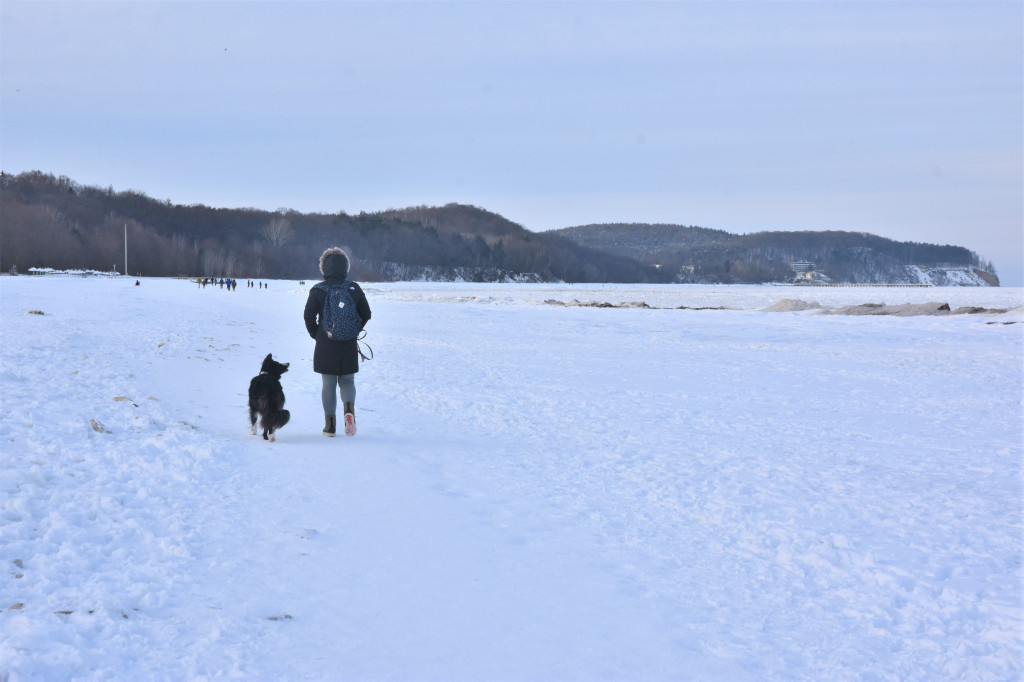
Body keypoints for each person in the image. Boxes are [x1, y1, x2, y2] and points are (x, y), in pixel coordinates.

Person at [303, 247, 371, 437]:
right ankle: (349, 411)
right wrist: (354, 330)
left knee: (329, 384)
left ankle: (330, 426)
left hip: (326, 343)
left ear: (324, 267)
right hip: (348, 343)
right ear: (345, 267)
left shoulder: (318, 290)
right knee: (348, 381)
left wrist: (317, 334)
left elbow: (308, 316)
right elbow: (366, 313)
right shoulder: (353, 288)